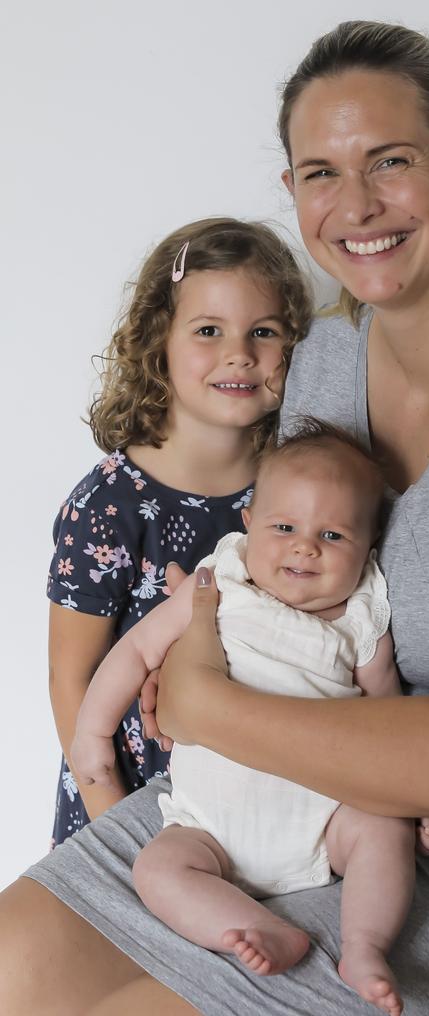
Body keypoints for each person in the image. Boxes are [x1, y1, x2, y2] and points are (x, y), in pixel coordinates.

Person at [2, 18, 429, 1016]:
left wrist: (203, 701)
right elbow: (255, 580)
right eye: (318, 172)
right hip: (282, 788)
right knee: (14, 963)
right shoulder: (325, 365)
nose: (354, 206)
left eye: (388, 162)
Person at [71, 422, 429, 1016]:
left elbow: (387, 722)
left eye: (332, 534)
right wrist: (92, 730)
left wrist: (413, 802)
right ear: (248, 524)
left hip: (326, 818)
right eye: (284, 528)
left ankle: (365, 947)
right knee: (158, 869)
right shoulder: (218, 583)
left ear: (368, 546)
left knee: (382, 835)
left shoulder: (361, 621)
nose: (305, 547)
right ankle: (248, 926)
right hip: (209, 827)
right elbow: (139, 649)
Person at [46, 215, 312, 845]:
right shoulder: (111, 504)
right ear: (158, 341)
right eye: (208, 330)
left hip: (258, 804)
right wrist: (112, 817)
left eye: (264, 331)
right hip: (133, 804)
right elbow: (69, 680)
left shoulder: (297, 490)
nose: (239, 353)